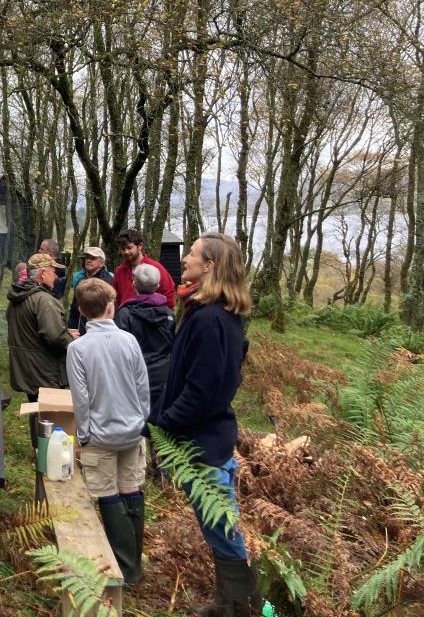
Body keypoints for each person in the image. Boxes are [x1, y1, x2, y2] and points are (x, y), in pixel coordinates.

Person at [148, 232, 262, 617]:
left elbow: (201, 391)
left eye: (192, 254)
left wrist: (164, 425)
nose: (185, 260)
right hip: (203, 438)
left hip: (204, 443)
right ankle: (228, 602)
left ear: (210, 265)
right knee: (218, 526)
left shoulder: (213, 319)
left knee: (223, 528)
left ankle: (243, 606)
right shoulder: (207, 311)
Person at [66, 278, 149, 585]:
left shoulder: (78, 348)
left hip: (99, 436)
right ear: (112, 306)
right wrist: (142, 421)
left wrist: (84, 435)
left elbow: (81, 398)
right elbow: (143, 387)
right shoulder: (129, 341)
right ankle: (133, 566)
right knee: (131, 490)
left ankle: (126, 568)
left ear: (81, 311)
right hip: (132, 432)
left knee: (108, 494)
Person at [6, 253, 77, 441]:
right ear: (43, 273)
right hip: (44, 370)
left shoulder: (19, 297)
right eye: (54, 272)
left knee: (37, 410)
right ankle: (47, 458)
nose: (56, 277)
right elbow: (54, 337)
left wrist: (65, 332)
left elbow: (31, 330)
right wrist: (75, 343)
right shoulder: (44, 301)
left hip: (27, 368)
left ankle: (37, 451)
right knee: (50, 416)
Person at [115, 262, 174, 411]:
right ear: (158, 284)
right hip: (162, 378)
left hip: (133, 377)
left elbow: (119, 349)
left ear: (134, 284)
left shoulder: (125, 314)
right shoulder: (169, 314)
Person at [113, 229, 176, 308]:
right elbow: (117, 297)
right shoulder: (119, 271)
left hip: (151, 317)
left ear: (140, 246)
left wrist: (163, 315)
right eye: (123, 249)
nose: (126, 252)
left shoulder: (155, 267)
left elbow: (169, 293)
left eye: (129, 248)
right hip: (127, 317)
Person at [67, 246, 115, 332]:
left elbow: (111, 309)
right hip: (81, 330)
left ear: (101, 263)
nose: (88, 260)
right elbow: (75, 307)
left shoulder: (108, 282)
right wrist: (72, 328)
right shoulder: (80, 280)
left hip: (101, 331)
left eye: (93, 258)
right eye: (87, 258)